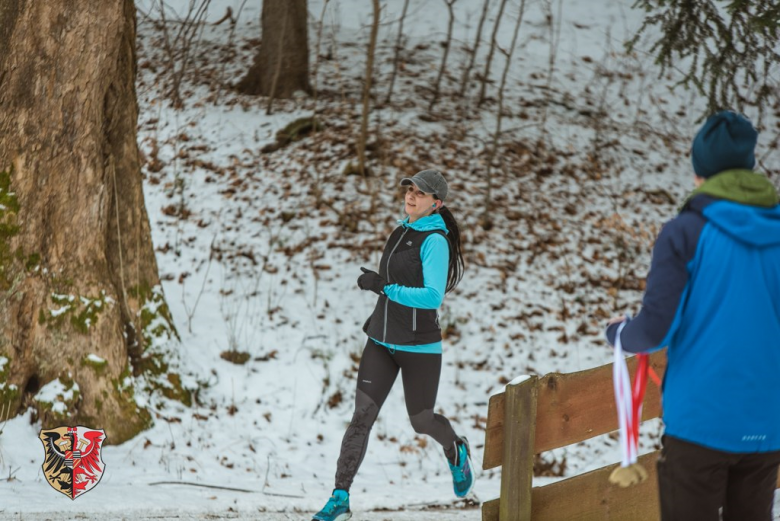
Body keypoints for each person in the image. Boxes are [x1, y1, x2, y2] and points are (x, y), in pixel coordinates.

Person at [605, 111, 780, 521]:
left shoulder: (684, 231)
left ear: (699, 169)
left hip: (700, 424)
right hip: (767, 424)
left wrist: (618, 334)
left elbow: (653, 330)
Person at [312, 169, 471, 521]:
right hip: (381, 341)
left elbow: (432, 297)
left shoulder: (435, 241)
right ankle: (340, 497)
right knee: (361, 419)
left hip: (419, 347)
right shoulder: (402, 230)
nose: (411, 196)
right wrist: (382, 286)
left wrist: (383, 287)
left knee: (422, 421)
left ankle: (455, 449)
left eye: (420, 193)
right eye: (410, 190)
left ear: (436, 204)